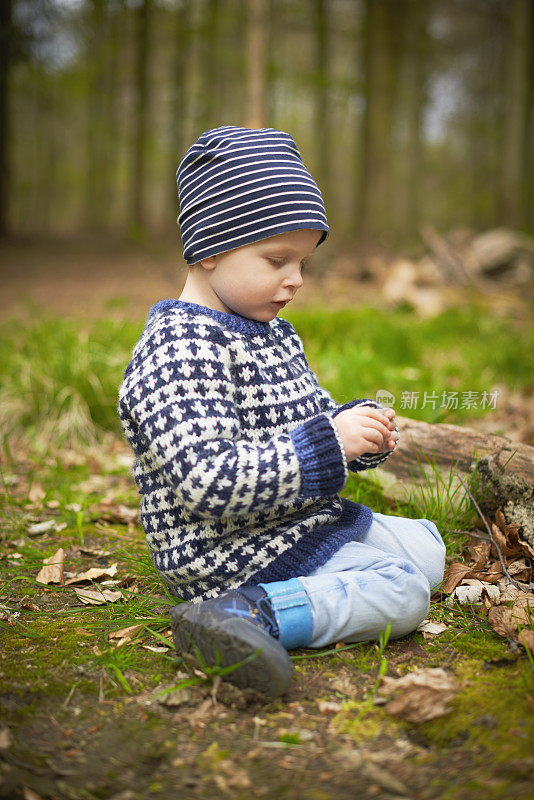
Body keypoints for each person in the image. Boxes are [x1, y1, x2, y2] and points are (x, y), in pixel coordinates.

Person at [118, 125, 446, 698]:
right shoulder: (179, 350)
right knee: (405, 591)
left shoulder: (273, 333)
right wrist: (330, 443)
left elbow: (313, 417)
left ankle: (305, 591)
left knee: (427, 547)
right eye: (277, 259)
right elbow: (205, 480)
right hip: (226, 551)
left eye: (304, 263)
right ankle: (247, 614)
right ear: (212, 247)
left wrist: (357, 429)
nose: (295, 279)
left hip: (292, 522)